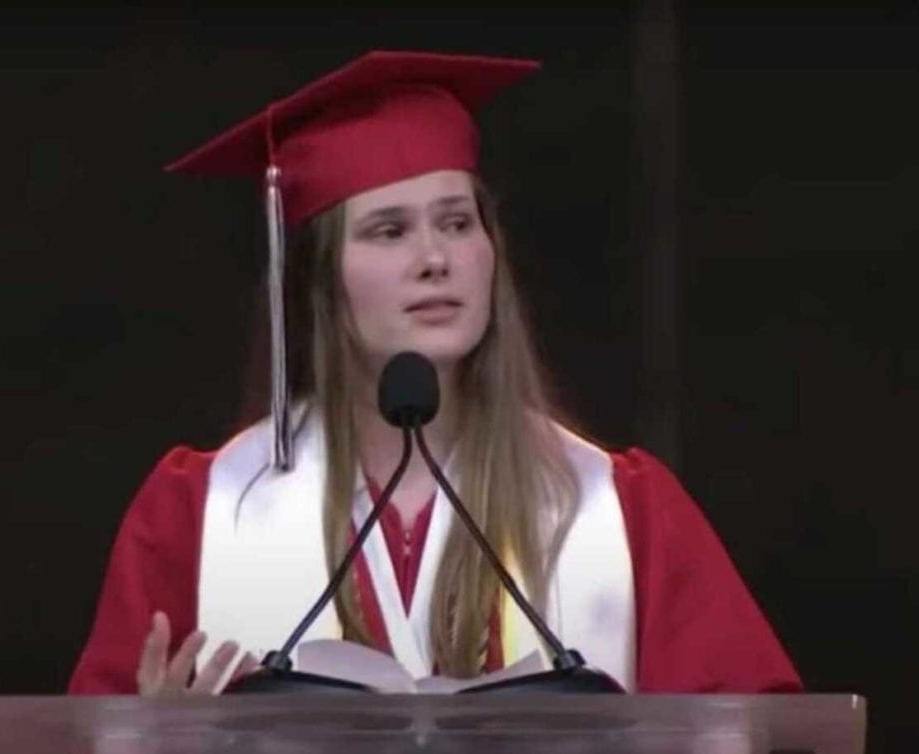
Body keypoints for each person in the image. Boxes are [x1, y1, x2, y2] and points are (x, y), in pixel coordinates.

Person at [67, 50, 803, 696]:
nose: (435, 258)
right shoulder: (198, 513)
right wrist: (151, 741)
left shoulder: (620, 509)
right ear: (319, 282)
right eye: (389, 230)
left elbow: (755, 732)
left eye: (456, 222)